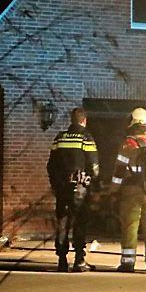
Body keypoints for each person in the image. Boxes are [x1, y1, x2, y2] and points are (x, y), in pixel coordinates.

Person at [108, 107, 146, 272]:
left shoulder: (128, 143)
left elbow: (119, 169)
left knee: (130, 224)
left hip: (131, 189)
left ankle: (128, 262)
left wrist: (113, 189)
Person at [47, 107, 100, 272]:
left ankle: (62, 260)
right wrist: (94, 183)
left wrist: (56, 184)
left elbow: (50, 165)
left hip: (62, 187)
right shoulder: (86, 138)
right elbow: (94, 165)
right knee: (79, 222)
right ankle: (79, 260)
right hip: (80, 188)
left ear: (71, 120)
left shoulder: (59, 138)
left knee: (62, 222)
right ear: (84, 120)